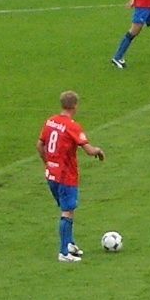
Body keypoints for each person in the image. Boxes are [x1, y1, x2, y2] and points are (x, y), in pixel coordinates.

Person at [36, 91, 105, 263]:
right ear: (75, 106)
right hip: (66, 176)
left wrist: (48, 163)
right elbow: (89, 150)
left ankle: (70, 244)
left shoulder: (50, 121)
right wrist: (98, 151)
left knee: (68, 209)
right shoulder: (72, 126)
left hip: (51, 174)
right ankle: (63, 252)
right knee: (67, 211)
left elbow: (40, 145)